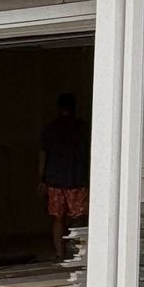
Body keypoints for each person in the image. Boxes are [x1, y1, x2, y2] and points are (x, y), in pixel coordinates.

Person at [39, 92, 90, 257]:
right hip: (76, 180)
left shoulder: (51, 128)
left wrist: (42, 179)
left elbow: (43, 154)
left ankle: (60, 253)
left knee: (58, 218)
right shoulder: (82, 128)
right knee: (79, 218)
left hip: (55, 180)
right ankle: (80, 254)